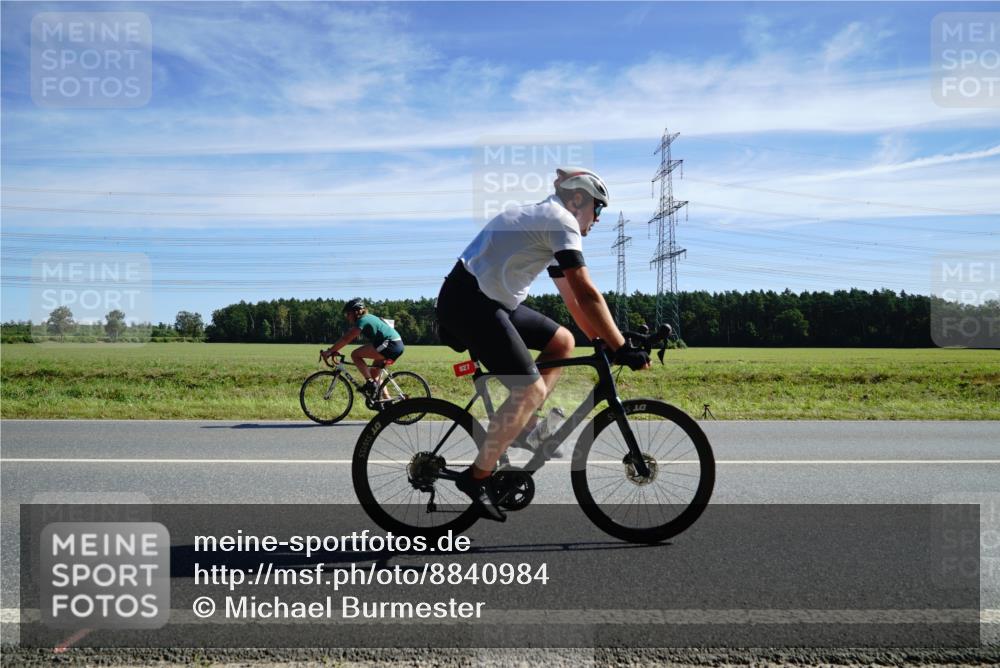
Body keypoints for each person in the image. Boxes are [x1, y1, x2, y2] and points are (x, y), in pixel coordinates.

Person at [436, 167, 651, 521]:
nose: (598, 219)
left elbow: (574, 300)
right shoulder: (559, 220)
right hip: (469, 302)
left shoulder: (548, 222)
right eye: (598, 209)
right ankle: (477, 478)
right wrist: (620, 346)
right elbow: (586, 290)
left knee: (562, 341)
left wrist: (604, 341)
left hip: (490, 302)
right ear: (578, 199)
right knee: (530, 391)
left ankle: (525, 426)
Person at [322, 299, 404, 399]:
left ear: (356, 312)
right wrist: (334, 349)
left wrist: (330, 351)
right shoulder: (369, 317)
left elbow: (347, 338)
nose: (347, 317)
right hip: (395, 344)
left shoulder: (362, 320)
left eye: (348, 313)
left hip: (390, 344)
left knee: (355, 354)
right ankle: (389, 402)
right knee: (375, 374)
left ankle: (369, 383)